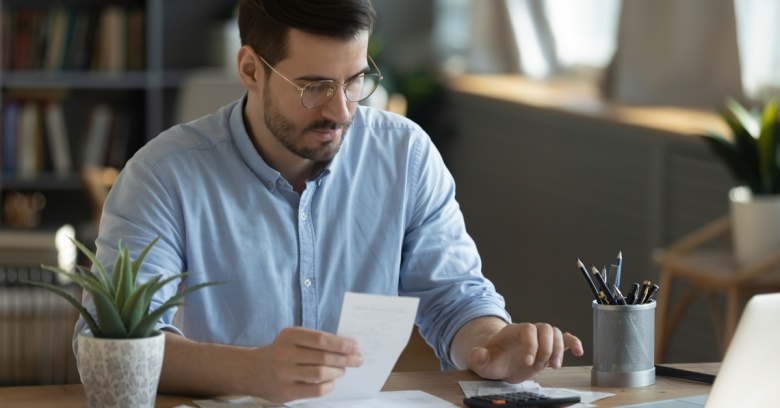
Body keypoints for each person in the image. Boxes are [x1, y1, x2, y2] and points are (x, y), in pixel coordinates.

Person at [74, 0, 583, 403]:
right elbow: (110, 346)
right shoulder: (162, 175)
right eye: (315, 86)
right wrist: (252, 371)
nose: (341, 111)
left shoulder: (404, 154)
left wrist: (489, 343)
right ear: (251, 69)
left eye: (356, 80)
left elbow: (453, 297)